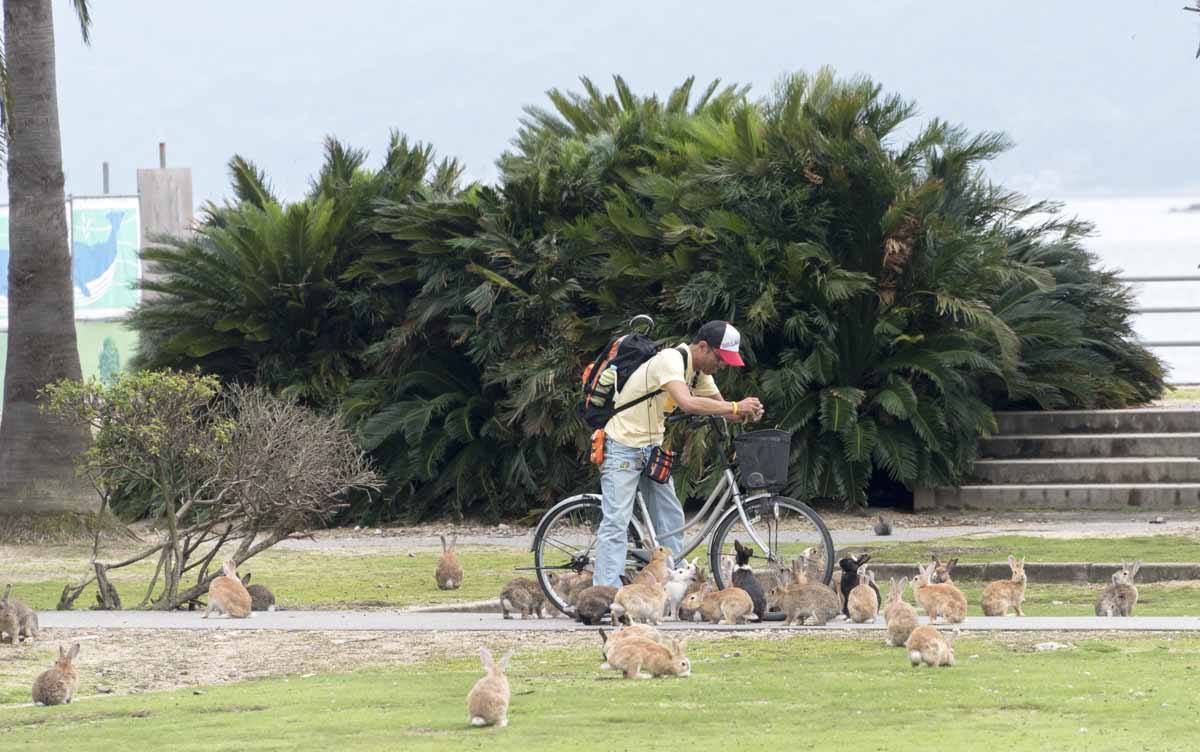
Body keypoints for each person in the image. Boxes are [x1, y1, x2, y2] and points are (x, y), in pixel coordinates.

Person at [592, 320, 765, 589]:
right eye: (720, 359)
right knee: (616, 523)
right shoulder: (670, 360)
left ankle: (672, 579)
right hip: (622, 445)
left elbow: (724, 410)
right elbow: (688, 403)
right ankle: (605, 592)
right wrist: (734, 406)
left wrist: (745, 412)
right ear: (703, 347)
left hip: (652, 448)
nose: (722, 366)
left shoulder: (698, 373)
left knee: (670, 514)